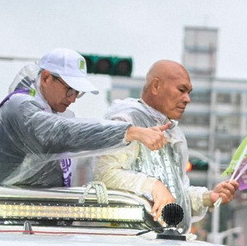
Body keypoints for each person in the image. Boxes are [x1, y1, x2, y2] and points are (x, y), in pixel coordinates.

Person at [0, 48, 170, 188]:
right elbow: (59, 133)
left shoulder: (45, 110)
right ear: (46, 78)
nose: (72, 99)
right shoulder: (20, 106)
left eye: (77, 93)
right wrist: (129, 131)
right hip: (12, 221)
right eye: (69, 89)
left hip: (34, 217)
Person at [94, 60, 237, 225]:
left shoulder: (174, 133)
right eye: (181, 90)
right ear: (156, 86)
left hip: (164, 240)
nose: (187, 99)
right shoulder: (127, 121)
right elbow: (104, 174)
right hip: (126, 238)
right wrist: (154, 186)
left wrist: (208, 197)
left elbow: (175, 194)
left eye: (189, 92)